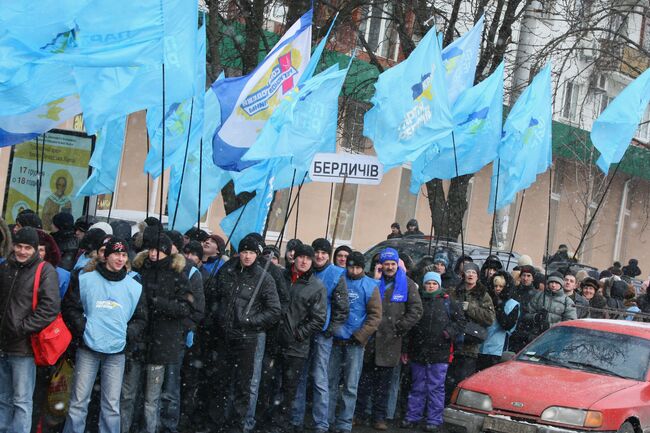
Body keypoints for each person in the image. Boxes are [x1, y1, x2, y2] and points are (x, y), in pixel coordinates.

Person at [62, 238, 146, 433]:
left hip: (116, 351)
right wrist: (84, 329)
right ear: (106, 255)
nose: (120, 258)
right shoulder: (86, 279)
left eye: (124, 255)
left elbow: (141, 318)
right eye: (116, 254)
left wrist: (126, 335)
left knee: (111, 405)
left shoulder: (134, 286)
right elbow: (71, 307)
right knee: (78, 402)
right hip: (88, 348)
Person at [207, 236, 280, 433]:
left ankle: (237, 426)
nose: (247, 256)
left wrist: (250, 321)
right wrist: (218, 318)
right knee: (220, 382)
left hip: (248, 339)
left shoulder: (264, 278)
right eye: (244, 252)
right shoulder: (228, 271)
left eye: (251, 252)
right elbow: (215, 296)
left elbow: (274, 310)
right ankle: (217, 423)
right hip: (224, 336)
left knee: (243, 386)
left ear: (257, 255)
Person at [0, 227, 60, 433]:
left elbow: (49, 308)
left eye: (27, 247)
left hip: (24, 347)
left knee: (21, 401)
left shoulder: (44, 271)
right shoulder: (6, 266)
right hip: (3, 344)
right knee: (3, 399)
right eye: (18, 246)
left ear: (35, 249)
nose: (22, 251)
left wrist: (22, 328)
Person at [356, 248, 422, 431]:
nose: (390, 267)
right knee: (363, 382)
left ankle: (379, 417)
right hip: (369, 340)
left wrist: (400, 326)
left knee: (383, 385)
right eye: (387, 264)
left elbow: (416, 310)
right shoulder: (373, 282)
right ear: (381, 265)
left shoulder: (407, 284)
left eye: (393, 264)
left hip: (391, 341)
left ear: (397, 265)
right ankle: (359, 415)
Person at [134, 235, 194, 433]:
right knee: (130, 395)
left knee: (153, 397)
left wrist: (158, 302)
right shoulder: (139, 271)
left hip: (162, 343)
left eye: (157, 250)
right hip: (138, 339)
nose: (153, 254)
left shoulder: (177, 275)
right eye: (150, 249)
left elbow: (185, 308)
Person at [291, 239, 349, 433]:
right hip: (301, 333)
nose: (319, 256)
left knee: (319, 378)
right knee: (299, 375)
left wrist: (330, 329)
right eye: (317, 251)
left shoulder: (336, 274)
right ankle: (296, 418)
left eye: (324, 252)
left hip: (322, 334)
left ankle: (321, 423)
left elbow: (342, 308)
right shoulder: (306, 271)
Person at [400, 272, 465, 433]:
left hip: (440, 353)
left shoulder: (449, 302)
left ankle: (434, 420)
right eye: (428, 283)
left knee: (436, 387)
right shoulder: (418, 301)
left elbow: (461, 322)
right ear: (424, 285)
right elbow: (411, 327)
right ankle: (412, 416)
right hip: (419, 351)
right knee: (417, 386)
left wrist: (448, 333)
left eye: (434, 284)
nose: (430, 286)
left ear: (439, 285)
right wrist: (406, 348)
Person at [272, 244, 327, 433]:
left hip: (296, 347)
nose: (304, 261)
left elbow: (318, 319)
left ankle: (282, 424)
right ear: (294, 258)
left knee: (288, 389)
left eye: (308, 258)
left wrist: (297, 334)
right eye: (301, 257)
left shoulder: (316, 287)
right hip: (274, 341)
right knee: (269, 384)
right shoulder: (282, 278)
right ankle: (267, 421)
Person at [328, 252, 382, 433]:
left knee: (350, 386)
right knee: (330, 382)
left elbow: (375, 316)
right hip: (335, 338)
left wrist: (360, 335)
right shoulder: (338, 279)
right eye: (351, 267)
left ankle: (344, 422)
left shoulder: (370, 285)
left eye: (357, 267)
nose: (353, 270)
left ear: (362, 267)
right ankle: (326, 419)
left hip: (355, 342)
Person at [447, 262, 495, 395]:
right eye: (468, 272)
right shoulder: (454, 292)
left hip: (470, 347)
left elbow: (489, 318)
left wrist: (471, 308)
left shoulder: (483, 295)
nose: (471, 275)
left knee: (463, 382)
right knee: (448, 382)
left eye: (474, 272)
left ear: (478, 276)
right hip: (452, 344)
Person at [478, 272, 519, 370]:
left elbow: (507, 325)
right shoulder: (486, 300)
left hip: (497, 349)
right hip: (481, 345)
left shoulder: (513, 304)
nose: (498, 289)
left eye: (501, 286)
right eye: (495, 286)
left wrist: (499, 307)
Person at [508, 265, 538, 352]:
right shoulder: (513, 291)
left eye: (528, 276)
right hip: (512, 331)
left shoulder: (537, 295)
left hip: (526, 333)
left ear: (532, 278)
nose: (525, 278)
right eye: (523, 275)